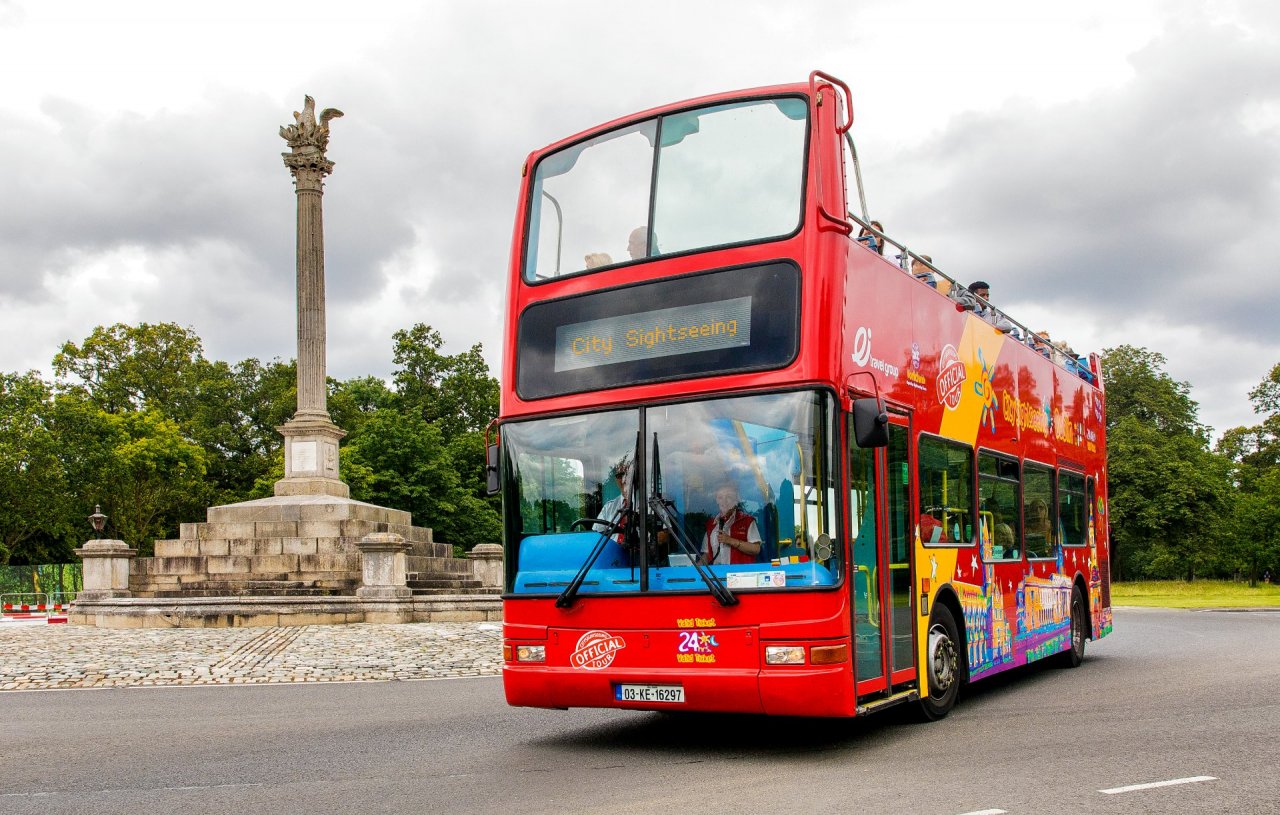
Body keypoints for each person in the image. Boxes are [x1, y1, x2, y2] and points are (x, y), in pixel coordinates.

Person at [703, 482, 761, 565]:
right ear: (716, 500)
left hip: (740, 575)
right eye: (720, 497)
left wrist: (730, 540)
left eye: (729, 497)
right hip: (716, 575)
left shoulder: (747, 521)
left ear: (736, 500)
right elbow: (707, 555)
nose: (724, 501)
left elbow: (756, 549)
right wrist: (693, 569)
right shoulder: (711, 525)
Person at [594, 458, 633, 540]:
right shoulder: (609, 507)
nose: (623, 479)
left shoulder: (650, 504)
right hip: (613, 550)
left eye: (627, 474)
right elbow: (596, 534)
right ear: (616, 480)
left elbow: (664, 534)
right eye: (619, 476)